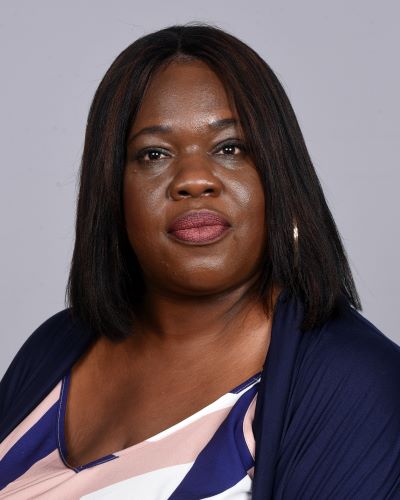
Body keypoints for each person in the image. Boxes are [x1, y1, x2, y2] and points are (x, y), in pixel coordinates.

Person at [0, 24, 399, 499]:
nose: (193, 180)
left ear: (279, 174)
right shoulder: (54, 346)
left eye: (230, 148)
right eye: (153, 154)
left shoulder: (355, 382)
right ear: (112, 190)